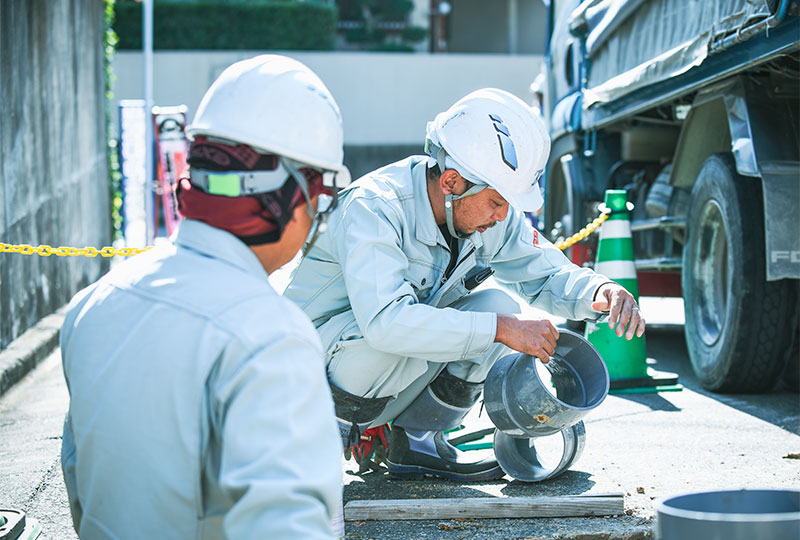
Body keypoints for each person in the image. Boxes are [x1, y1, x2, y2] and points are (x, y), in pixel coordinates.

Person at [285, 88, 645, 482]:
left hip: (377, 382)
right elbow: (386, 324)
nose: (503, 214)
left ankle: (418, 440)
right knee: (423, 332)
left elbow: (544, 272)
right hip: (308, 384)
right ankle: (320, 442)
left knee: (496, 308)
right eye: (496, 202)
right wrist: (502, 331)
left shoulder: (483, 209)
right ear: (452, 182)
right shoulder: (374, 208)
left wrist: (597, 292)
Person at [60, 55, 349, 539]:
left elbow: (80, 482)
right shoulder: (269, 334)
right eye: (321, 198)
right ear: (289, 198)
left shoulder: (94, 304)